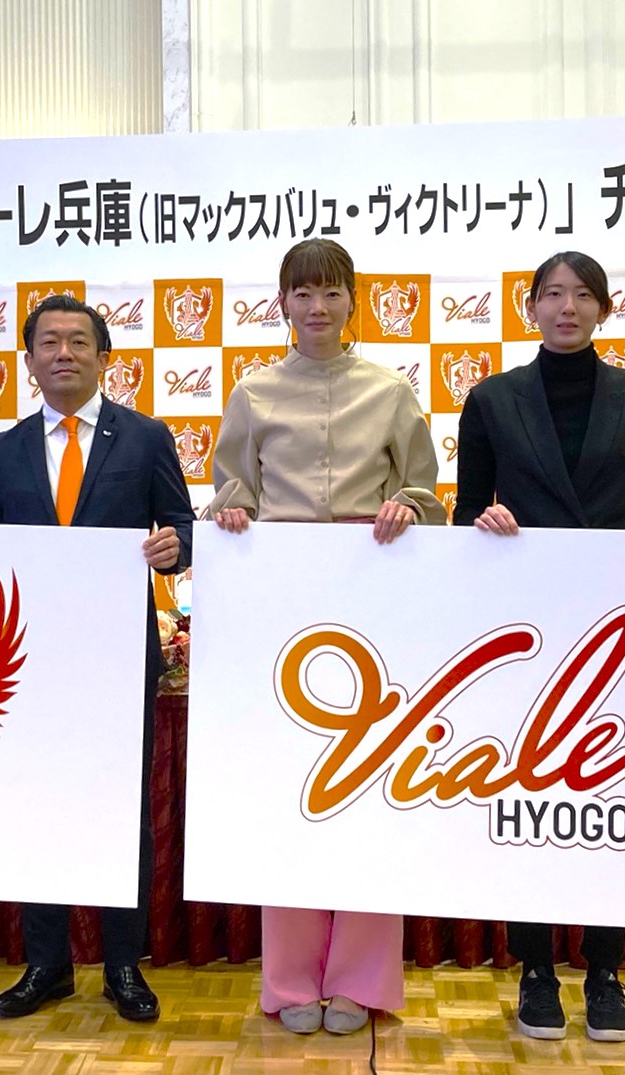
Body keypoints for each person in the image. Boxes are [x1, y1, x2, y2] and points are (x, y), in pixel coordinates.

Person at [453, 250, 625, 1043]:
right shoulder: (491, 399)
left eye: (583, 295)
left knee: (606, 796)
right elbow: (465, 514)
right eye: (553, 294)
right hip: (523, 625)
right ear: (530, 306)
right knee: (527, 796)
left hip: (614, 624)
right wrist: (485, 521)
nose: (567, 307)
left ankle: (604, 968)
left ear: (604, 307)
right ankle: (534, 966)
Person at [0, 294, 193, 1022]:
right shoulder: (4, 449)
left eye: (77, 341)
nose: (63, 352)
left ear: (105, 357)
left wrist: (174, 546)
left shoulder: (145, 437)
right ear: (29, 359)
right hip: (25, 660)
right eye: (48, 342)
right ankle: (48, 964)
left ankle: (123, 965)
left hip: (117, 654)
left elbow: (183, 526)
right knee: (34, 801)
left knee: (124, 807)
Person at [208, 237, 441, 1035]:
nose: (317, 307)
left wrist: (408, 506)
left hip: (378, 608)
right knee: (292, 790)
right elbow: (232, 490)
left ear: (352, 301)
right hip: (282, 612)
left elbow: (426, 493)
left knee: (371, 786)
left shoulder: (392, 391)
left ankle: (362, 979)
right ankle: (288, 979)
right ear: (281, 303)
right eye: (302, 293)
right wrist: (233, 513)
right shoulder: (253, 392)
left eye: (331, 292)